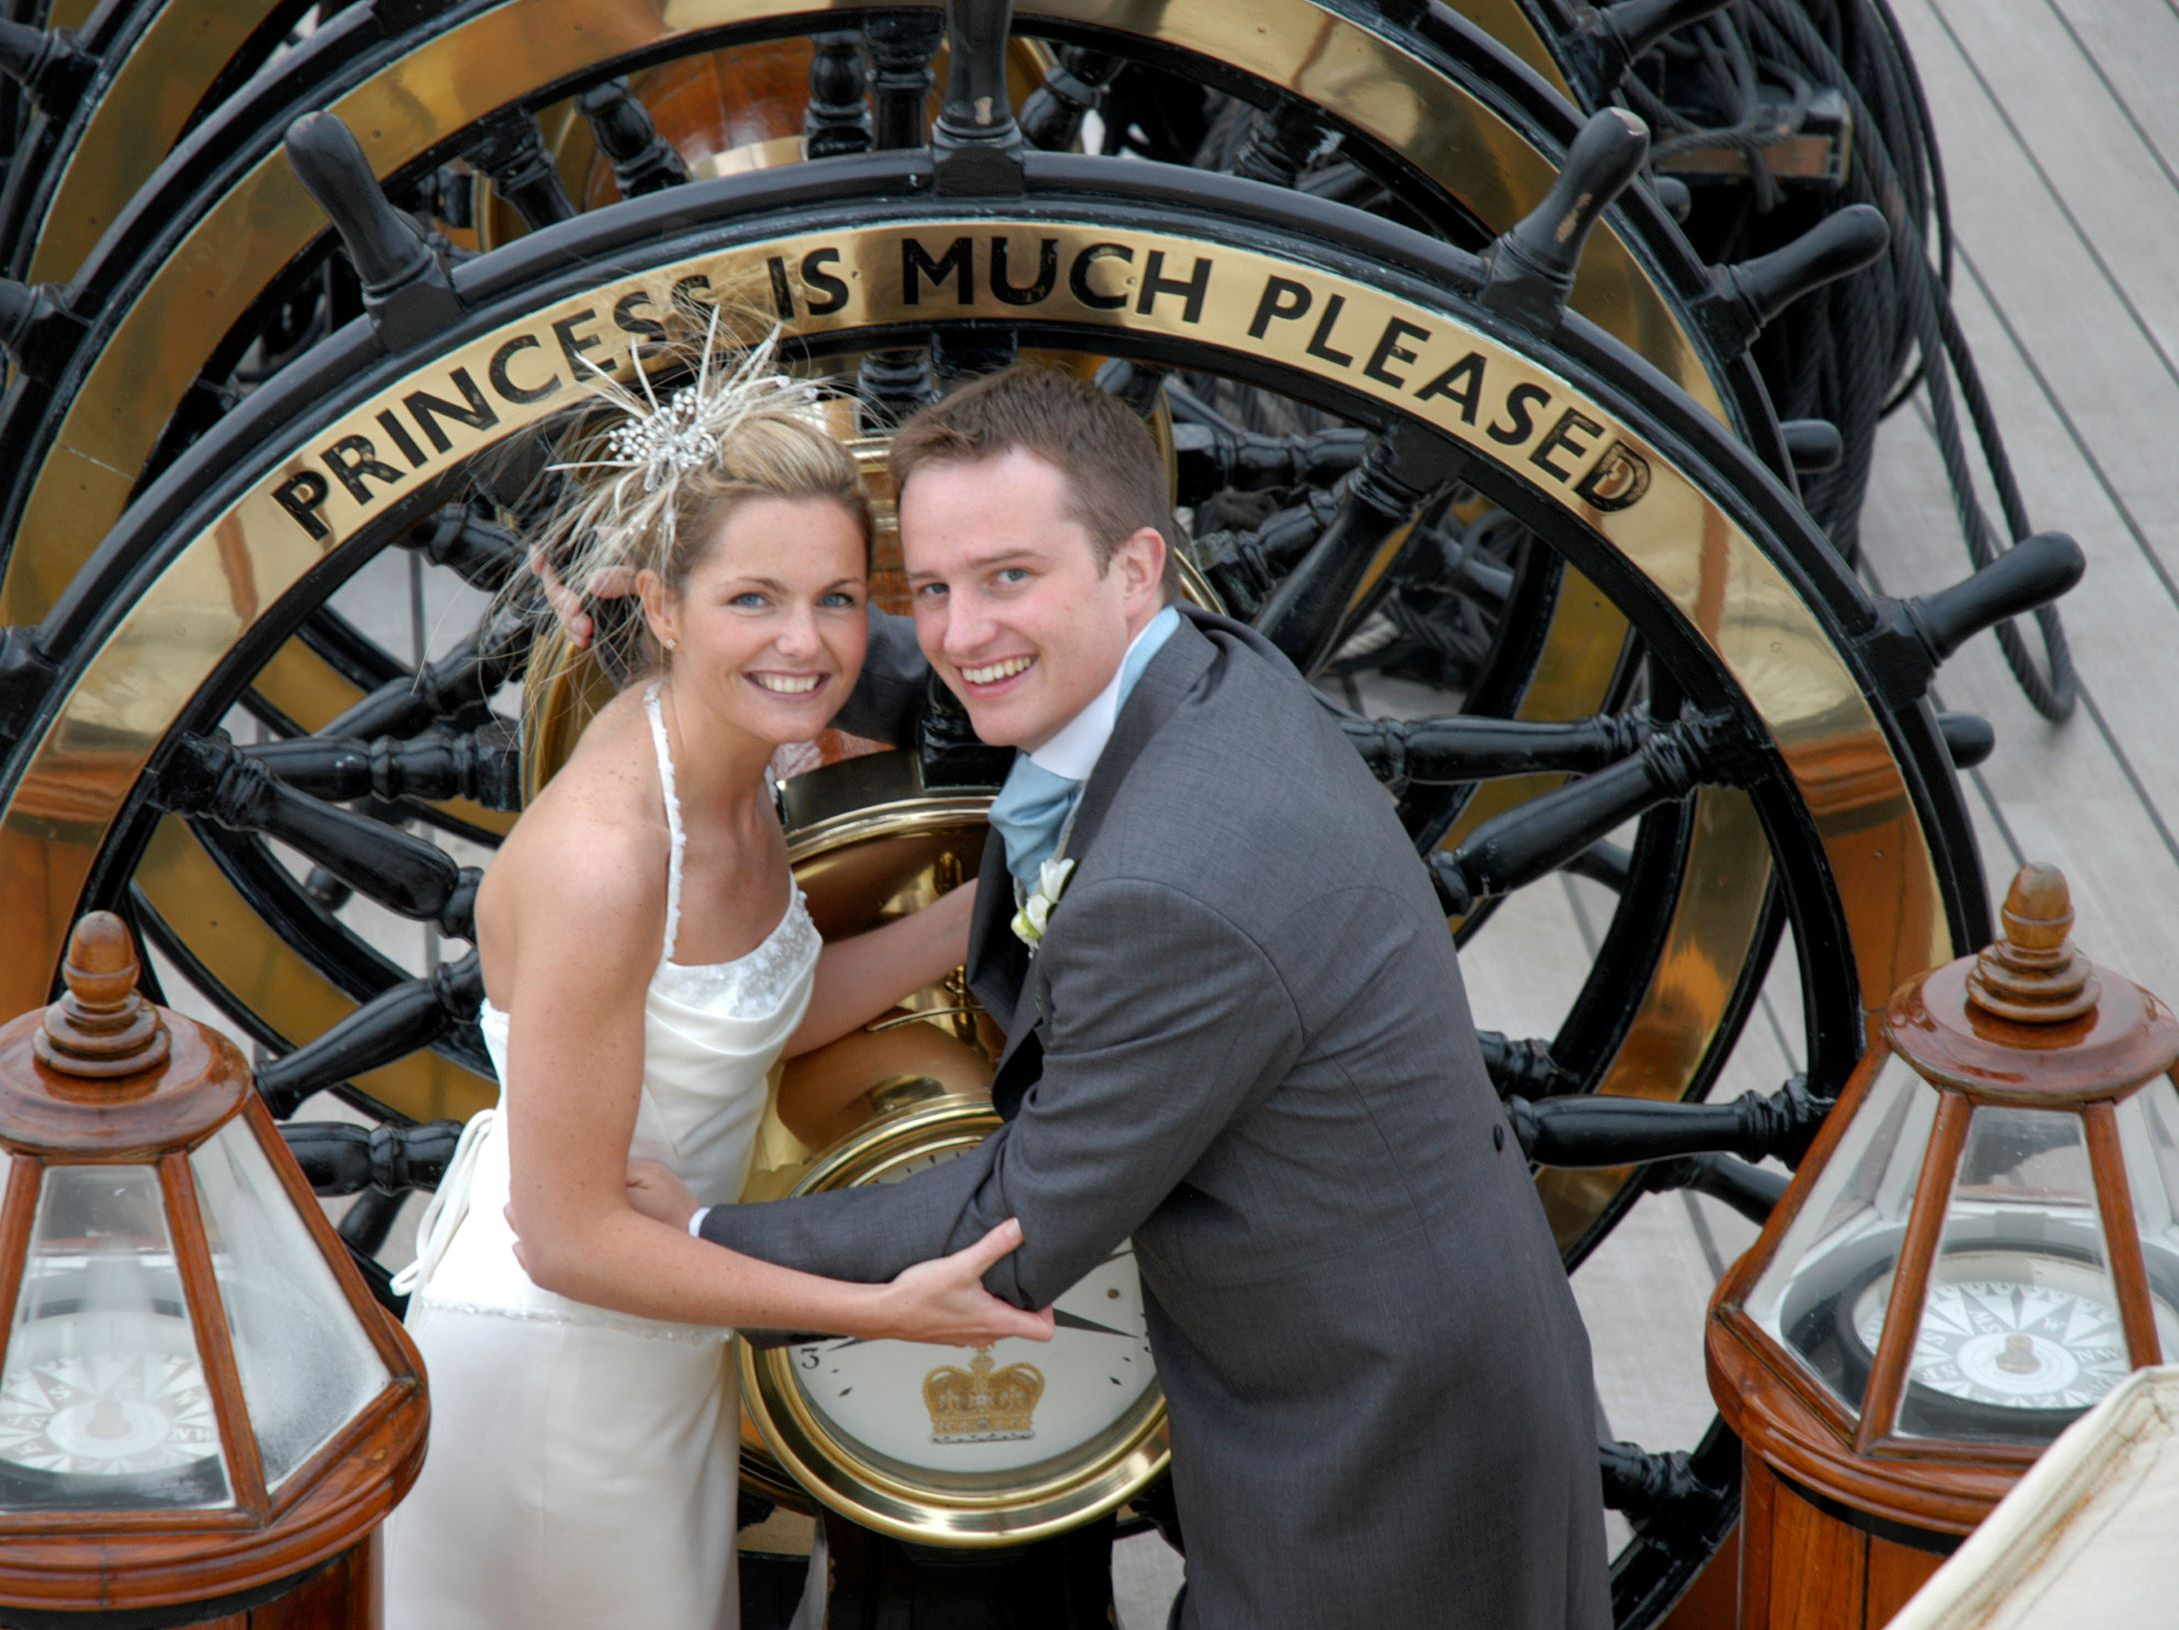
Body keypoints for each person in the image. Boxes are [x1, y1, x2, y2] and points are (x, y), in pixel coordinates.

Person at [620, 366, 1611, 1630]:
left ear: (1137, 569)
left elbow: (1010, 1230)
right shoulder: (1197, 673)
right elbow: (973, 666)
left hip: (1374, 1455)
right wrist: (750, 638)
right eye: (930, 587)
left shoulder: (1174, 887)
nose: (962, 630)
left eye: (1009, 577)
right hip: (1374, 1340)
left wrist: (700, 1237)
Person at [381, 340, 1053, 1630]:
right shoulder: (606, 857)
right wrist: (874, 1309)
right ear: (665, 603)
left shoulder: (727, 767)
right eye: (755, 599)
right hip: (557, 1378)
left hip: (657, 1349)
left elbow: (749, 1007)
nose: (808, 644)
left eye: (841, 599)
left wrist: (996, 908)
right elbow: (570, 1238)